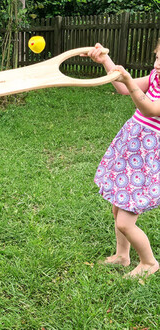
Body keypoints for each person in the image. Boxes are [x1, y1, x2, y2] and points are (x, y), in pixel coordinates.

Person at [87, 41, 160, 278]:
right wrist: (105, 60)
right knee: (117, 208)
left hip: (147, 159)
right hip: (132, 151)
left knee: (125, 222)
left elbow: (148, 108)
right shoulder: (155, 77)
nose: (157, 65)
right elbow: (121, 87)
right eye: (157, 58)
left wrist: (129, 80)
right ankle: (122, 256)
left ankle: (149, 263)